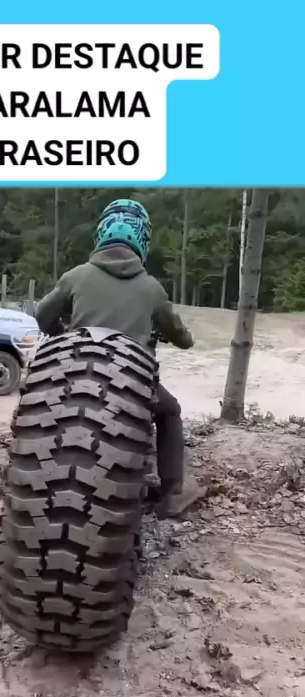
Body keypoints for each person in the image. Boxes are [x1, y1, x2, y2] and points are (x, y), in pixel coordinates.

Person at [35, 198, 205, 517]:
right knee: (170, 411)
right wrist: (182, 337)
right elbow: (181, 338)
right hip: (131, 383)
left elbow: (42, 315)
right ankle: (172, 492)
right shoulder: (152, 288)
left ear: (101, 233)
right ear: (142, 239)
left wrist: (62, 333)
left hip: (75, 374)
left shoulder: (76, 276)